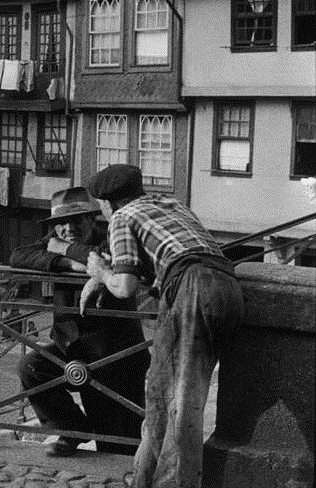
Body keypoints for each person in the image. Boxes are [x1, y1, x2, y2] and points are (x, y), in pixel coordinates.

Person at [82, 164, 243, 488]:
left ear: (108, 203)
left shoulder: (122, 217)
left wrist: (100, 274)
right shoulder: (170, 204)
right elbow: (160, 262)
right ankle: (144, 479)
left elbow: (125, 287)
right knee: (160, 394)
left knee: (178, 404)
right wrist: (106, 275)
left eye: (100, 207)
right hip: (228, 288)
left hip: (192, 289)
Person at [10, 187, 149, 457]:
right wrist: (69, 263)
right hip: (70, 348)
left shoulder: (113, 236)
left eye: (76, 220)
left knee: (118, 446)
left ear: (91, 220)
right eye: (61, 223)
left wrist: (66, 250)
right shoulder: (54, 240)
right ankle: (72, 429)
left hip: (115, 356)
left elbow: (105, 258)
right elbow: (19, 255)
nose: (69, 228)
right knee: (32, 367)